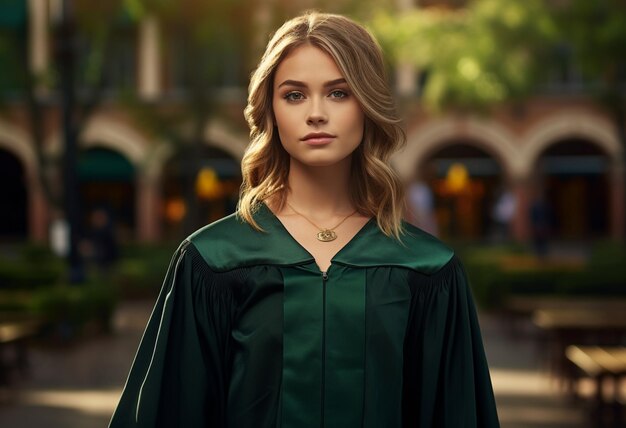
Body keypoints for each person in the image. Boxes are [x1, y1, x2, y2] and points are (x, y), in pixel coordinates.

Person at [109, 11, 500, 428]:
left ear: (366, 105)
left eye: (338, 93)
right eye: (294, 95)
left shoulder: (427, 270)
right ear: (271, 110)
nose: (316, 113)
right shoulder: (212, 262)